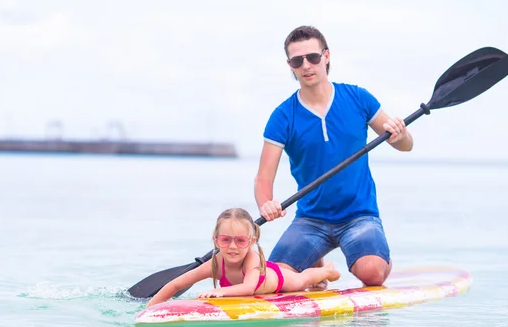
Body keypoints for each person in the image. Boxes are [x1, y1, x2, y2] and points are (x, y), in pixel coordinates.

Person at [254, 25, 414, 288]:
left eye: (313, 57)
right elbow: (263, 178)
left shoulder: (358, 98)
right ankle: (316, 265)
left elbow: (405, 146)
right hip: (310, 219)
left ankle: (379, 258)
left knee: (372, 274)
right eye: (297, 60)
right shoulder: (283, 116)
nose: (306, 65)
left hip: (359, 216)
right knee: (277, 280)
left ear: (326, 56)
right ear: (290, 66)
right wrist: (265, 204)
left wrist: (401, 134)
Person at [146, 207, 341, 307]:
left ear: (251, 240)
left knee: (302, 280)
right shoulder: (214, 264)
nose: (232, 247)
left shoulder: (252, 259)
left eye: (240, 240)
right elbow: (175, 285)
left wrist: (221, 293)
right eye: (225, 240)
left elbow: (249, 288)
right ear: (215, 240)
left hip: (279, 279)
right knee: (304, 279)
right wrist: (151, 307)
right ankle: (321, 270)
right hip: (264, 279)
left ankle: (327, 270)